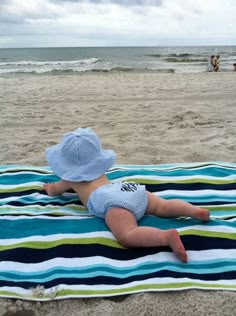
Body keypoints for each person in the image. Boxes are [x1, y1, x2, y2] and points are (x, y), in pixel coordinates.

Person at [44, 128, 210, 263]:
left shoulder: (70, 179)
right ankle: (194, 211)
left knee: (127, 234)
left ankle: (165, 237)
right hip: (128, 188)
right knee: (163, 206)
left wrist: (49, 188)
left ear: (66, 165)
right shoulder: (100, 169)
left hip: (112, 202)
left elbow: (54, 190)